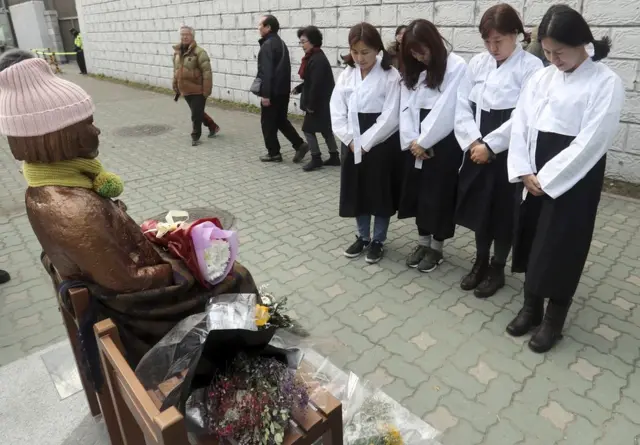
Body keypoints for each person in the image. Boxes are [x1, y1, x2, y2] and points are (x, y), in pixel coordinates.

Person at [506, 4, 624, 353]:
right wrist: (524, 168)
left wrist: (548, 177)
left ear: (582, 43)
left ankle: (554, 319)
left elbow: (593, 140)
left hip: (574, 176)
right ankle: (531, 307)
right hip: (533, 168)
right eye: (546, 52)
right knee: (531, 237)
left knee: (562, 244)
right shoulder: (542, 77)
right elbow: (522, 121)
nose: (553, 59)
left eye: (559, 52)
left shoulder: (606, 82)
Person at [454, 3, 543, 298]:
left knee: (504, 211)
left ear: (515, 35)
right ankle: (480, 260)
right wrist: (473, 142)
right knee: (481, 208)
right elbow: (461, 104)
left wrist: (491, 146)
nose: (493, 47)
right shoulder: (477, 63)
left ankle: (497, 266)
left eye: (499, 40)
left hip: (508, 148)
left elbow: (524, 115)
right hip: (476, 143)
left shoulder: (531, 67)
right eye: (487, 41)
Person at [397, 20, 466, 273]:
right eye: (413, 53)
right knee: (418, 194)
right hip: (416, 141)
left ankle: (436, 248)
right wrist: (412, 140)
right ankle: (422, 242)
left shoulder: (456, 66)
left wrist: (424, 141)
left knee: (439, 196)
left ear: (434, 44)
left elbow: (447, 108)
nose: (418, 57)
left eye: (421, 51)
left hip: (442, 141)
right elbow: (406, 107)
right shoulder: (415, 70)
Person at [330, 22, 401, 264]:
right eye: (355, 51)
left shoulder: (390, 75)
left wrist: (367, 141)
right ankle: (362, 236)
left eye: (365, 52)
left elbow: (391, 115)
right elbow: (336, 108)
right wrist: (350, 139)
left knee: (379, 190)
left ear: (377, 49)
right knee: (357, 189)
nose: (359, 58)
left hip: (380, 142)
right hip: (352, 139)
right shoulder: (347, 75)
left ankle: (378, 240)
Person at [255, 15, 308, 163]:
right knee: (280, 120)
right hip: (282, 91)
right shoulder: (280, 43)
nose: (258, 27)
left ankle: (274, 153)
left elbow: (267, 71)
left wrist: (265, 94)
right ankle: (299, 144)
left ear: (268, 27)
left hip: (272, 92)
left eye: (260, 25)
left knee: (267, 123)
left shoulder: (268, 45)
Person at [292, 26, 340, 171]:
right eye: (300, 42)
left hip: (318, 103)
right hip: (322, 102)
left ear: (312, 41)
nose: (302, 45)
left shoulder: (317, 59)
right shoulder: (315, 57)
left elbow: (317, 85)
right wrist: (300, 88)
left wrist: (310, 105)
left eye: (303, 42)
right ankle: (334, 156)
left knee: (307, 129)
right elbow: (311, 80)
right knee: (325, 129)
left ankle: (316, 158)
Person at [173, 25, 220, 147]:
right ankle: (213, 126)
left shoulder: (200, 52)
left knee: (195, 114)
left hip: (198, 89)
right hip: (185, 89)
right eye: (182, 34)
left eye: (187, 34)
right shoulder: (177, 52)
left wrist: (206, 91)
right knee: (198, 112)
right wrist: (175, 85)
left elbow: (207, 73)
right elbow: (176, 70)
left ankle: (195, 136)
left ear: (192, 36)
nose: (184, 37)